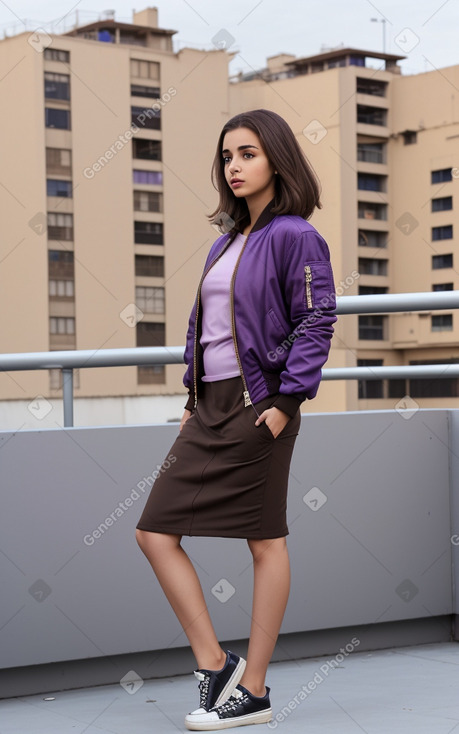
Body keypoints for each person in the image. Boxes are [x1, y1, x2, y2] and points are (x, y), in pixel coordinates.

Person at [136, 108, 337, 731]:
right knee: (153, 531)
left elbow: (316, 318)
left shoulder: (295, 235)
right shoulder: (227, 240)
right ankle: (214, 663)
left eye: (248, 153)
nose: (235, 166)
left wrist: (284, 404)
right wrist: (192, 401)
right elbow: (210, 331)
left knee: (265, 540)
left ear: (277, 157)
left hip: (261, 405)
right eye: (228, 157)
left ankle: (253, 688)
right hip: (209, 408)